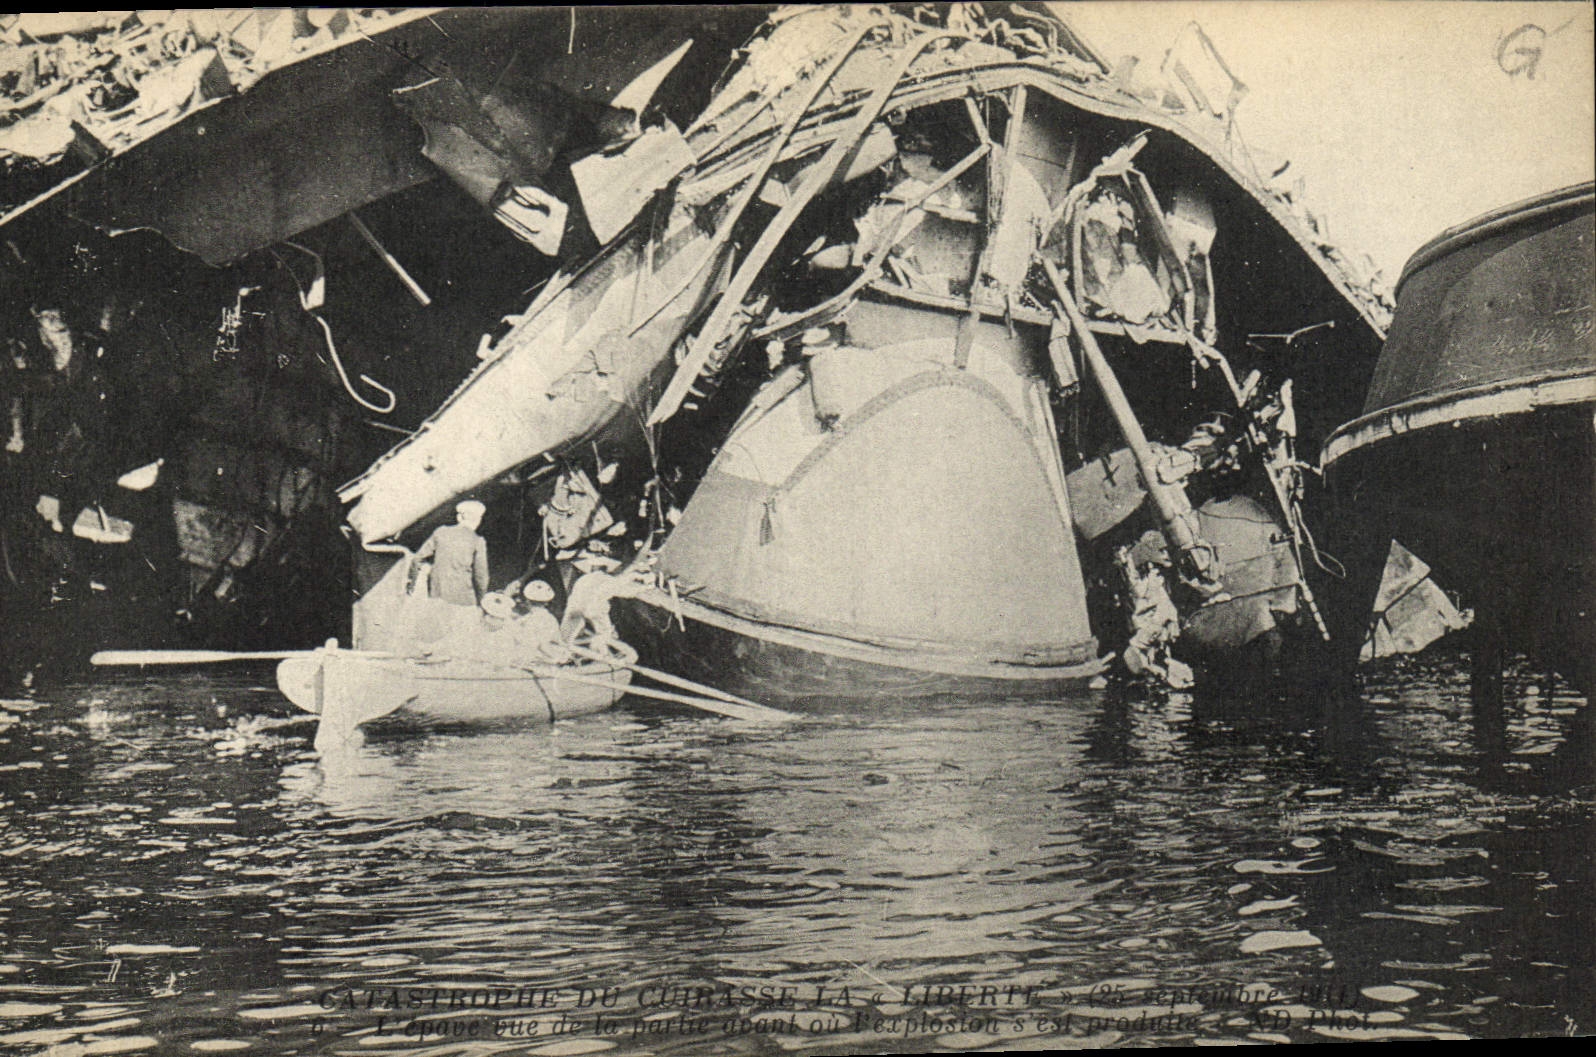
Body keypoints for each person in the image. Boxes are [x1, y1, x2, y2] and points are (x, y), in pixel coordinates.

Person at [410, 499, 489, 608]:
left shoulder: (441, 532)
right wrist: (481, 600)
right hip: (462, 599)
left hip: (436, 594)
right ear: (478, 520)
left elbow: (417, 558)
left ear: (459, 517)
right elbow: (481, 576)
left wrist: (412, 584)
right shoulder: (478, 541)